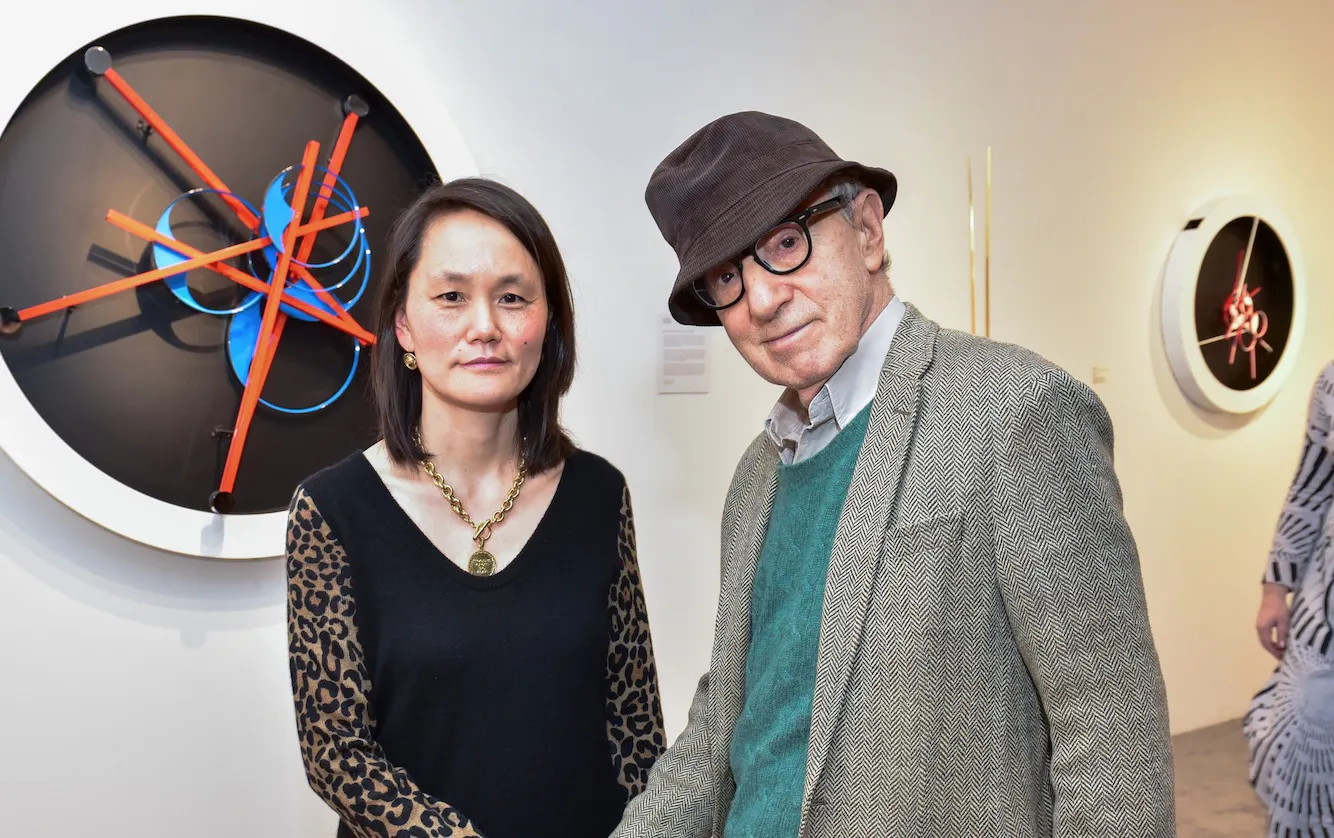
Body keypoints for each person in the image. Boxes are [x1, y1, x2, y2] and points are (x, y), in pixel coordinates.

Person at [611, 111, 1175, 837]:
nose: (763, 299)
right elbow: (726, 722)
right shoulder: (757, 475)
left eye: (786, 242)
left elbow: (1113, 739)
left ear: (869, 231)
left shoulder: (1014, 411)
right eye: (727, 277)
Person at [285, 177, 666, 837]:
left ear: (548, 325)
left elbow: (634, 725)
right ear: (404, 326)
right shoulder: (331, 511)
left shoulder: (600, 495)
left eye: (512, 298)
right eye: (451, 297)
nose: (485, 327)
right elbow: (336, 755)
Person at [1244, 360, 1334, 835]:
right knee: (1306, 738)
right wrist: (1275, 588)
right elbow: (1310, 490)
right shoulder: (1332, 381)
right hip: (1325, 611)